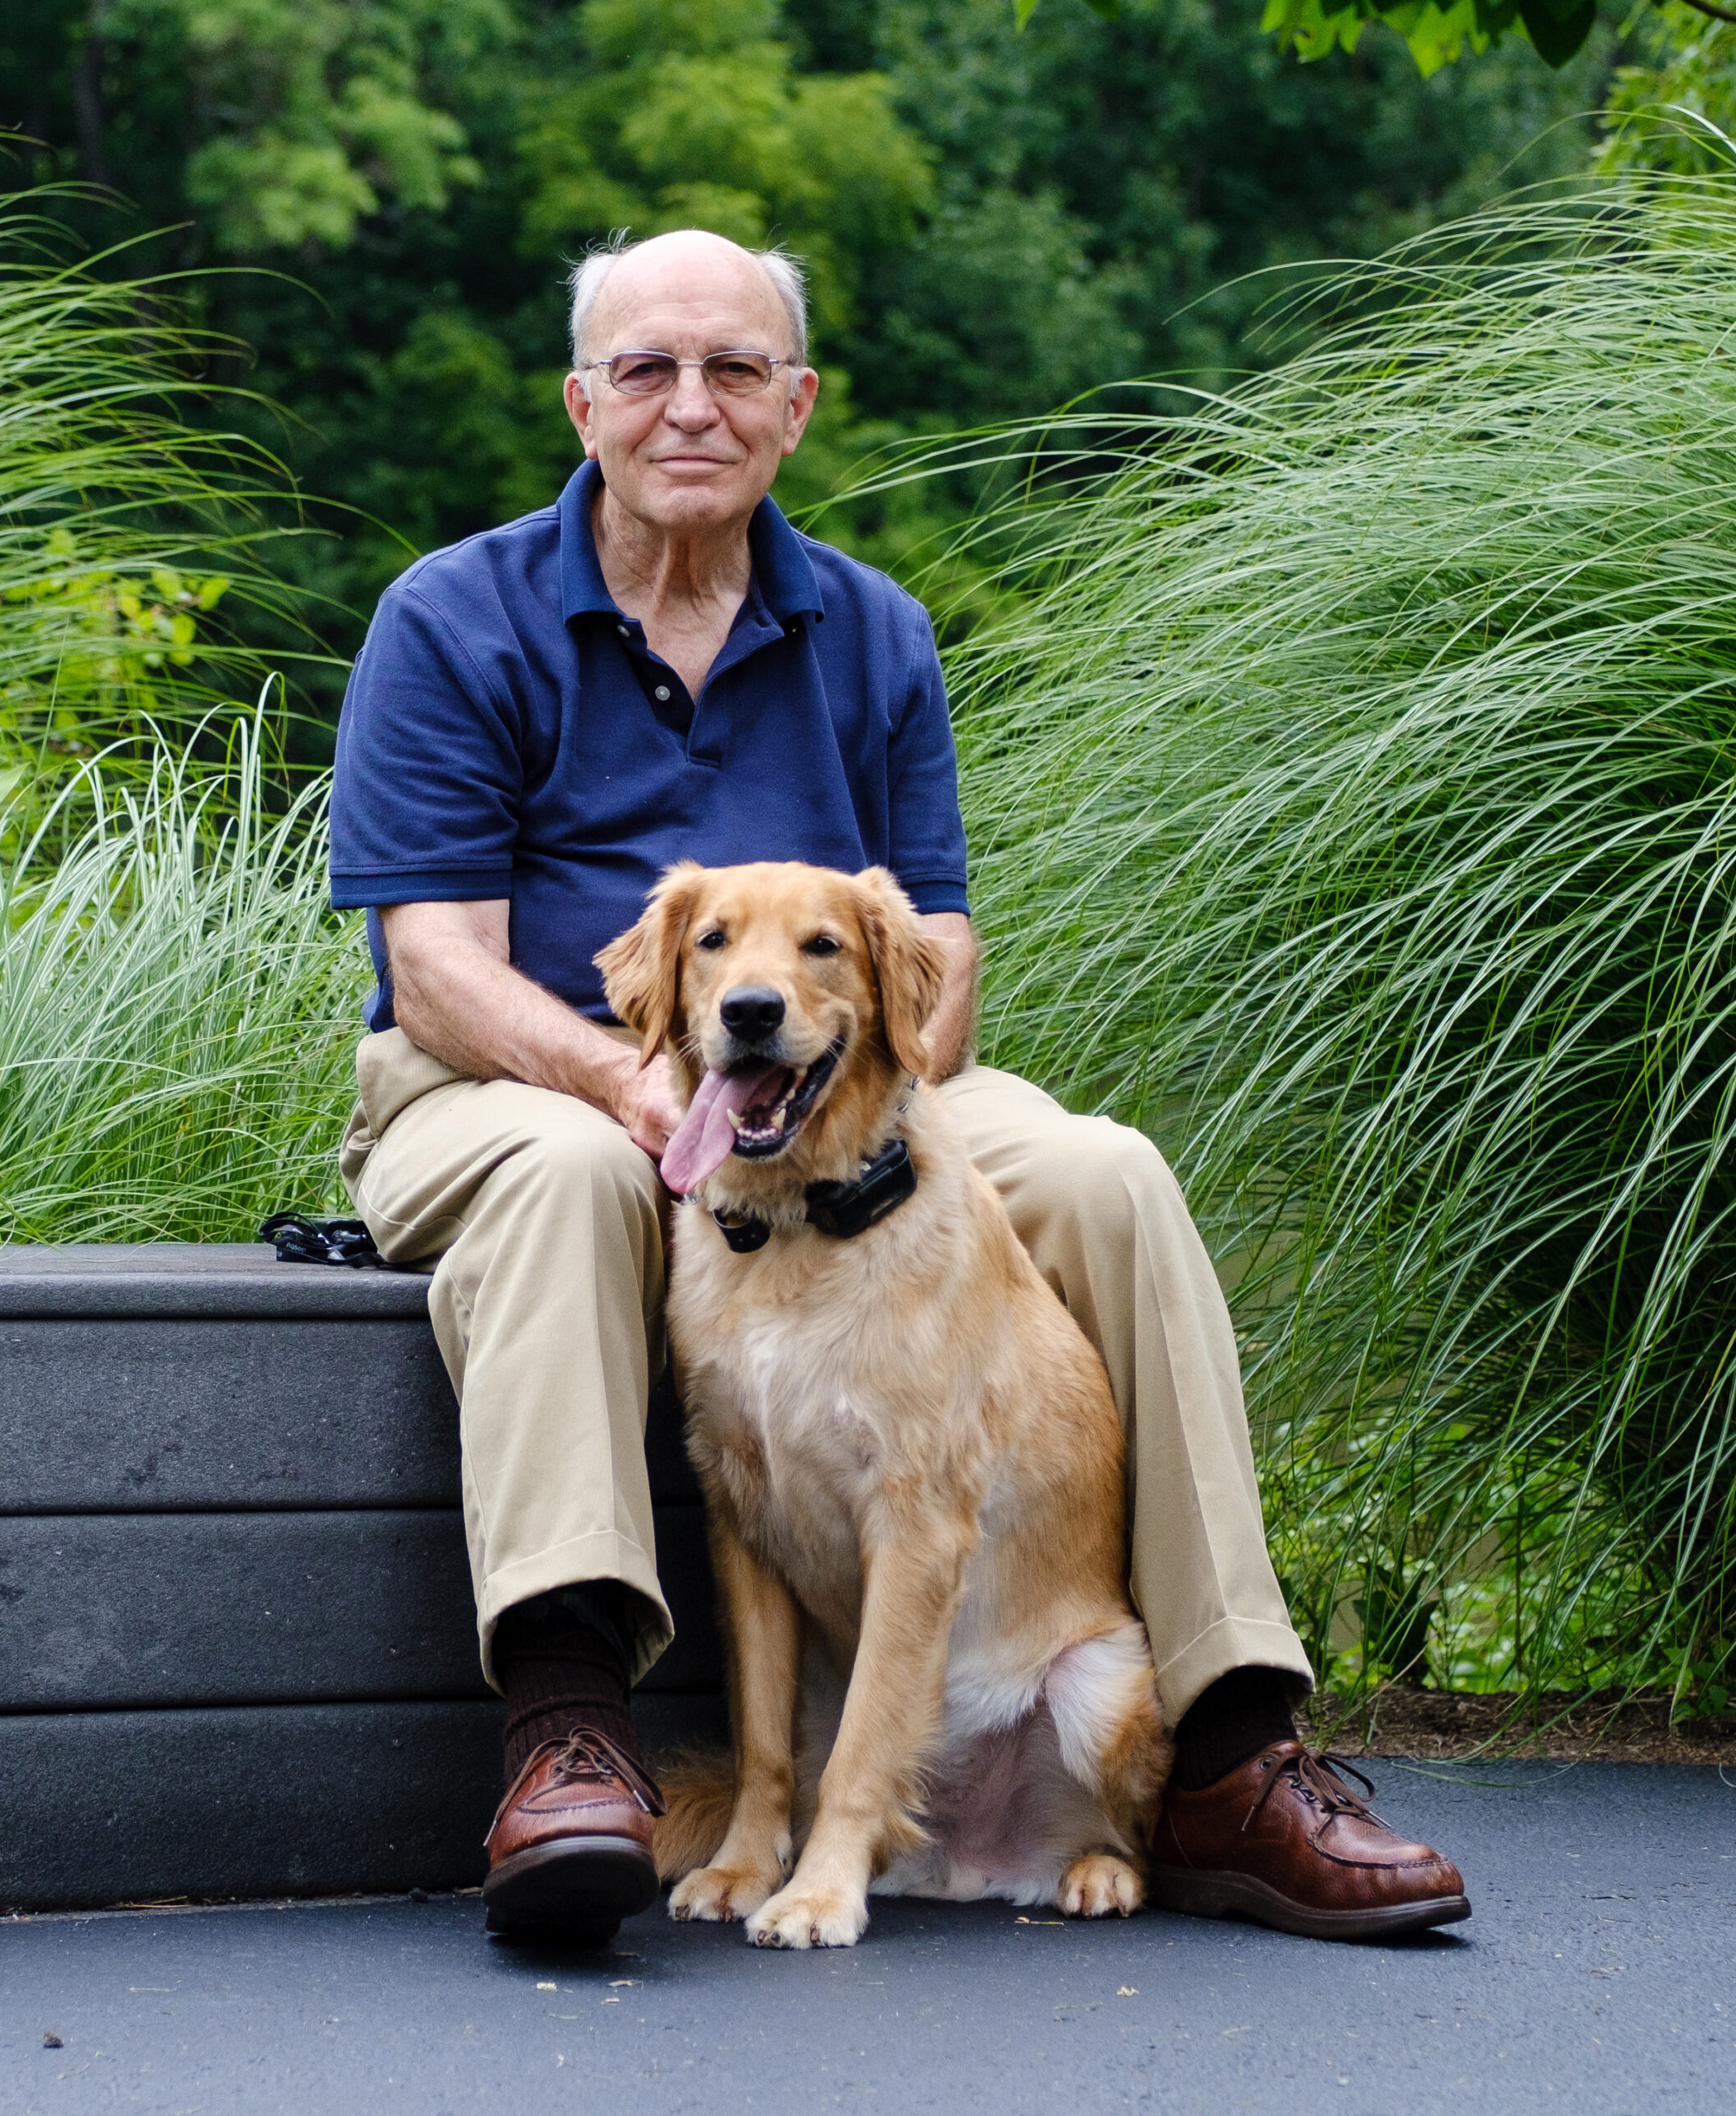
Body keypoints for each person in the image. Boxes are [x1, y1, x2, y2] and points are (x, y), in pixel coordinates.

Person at [328, 229, 1467, 1943]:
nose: (690, 405)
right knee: (574, 1176)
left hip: (831, 1090)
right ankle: (567, 1730)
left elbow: (936, 949)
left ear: (793, 406)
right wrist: (640, 1086)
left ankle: (1226, 1742)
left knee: (1101, 1170)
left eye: (733, 370)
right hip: (514, 1076)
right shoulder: (451, 614)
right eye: (647, 370)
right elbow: (436, 967)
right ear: (582, 404)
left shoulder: (871, 629)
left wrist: (840, 1121)